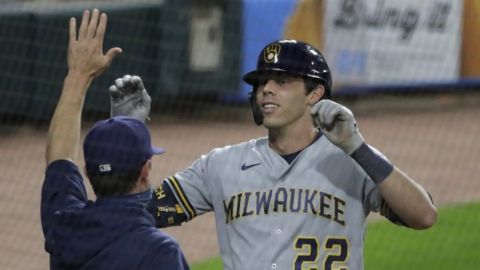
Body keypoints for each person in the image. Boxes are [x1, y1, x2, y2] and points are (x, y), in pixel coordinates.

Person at [111, 40, 437, 270]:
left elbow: (423, 216)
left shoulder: (353, 159)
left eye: (282, 81)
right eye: (263, 81)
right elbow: (139, 213)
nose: (267, 88)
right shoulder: (220, 164)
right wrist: (127, 134)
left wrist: (359, 149)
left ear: (316, 93)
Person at [41, 9, 189, 270]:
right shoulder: (159, 252)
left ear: (86, 172)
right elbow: (60, 160)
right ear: (145, 170)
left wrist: (78, 75)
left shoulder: (64, 225)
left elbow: (59, 159)